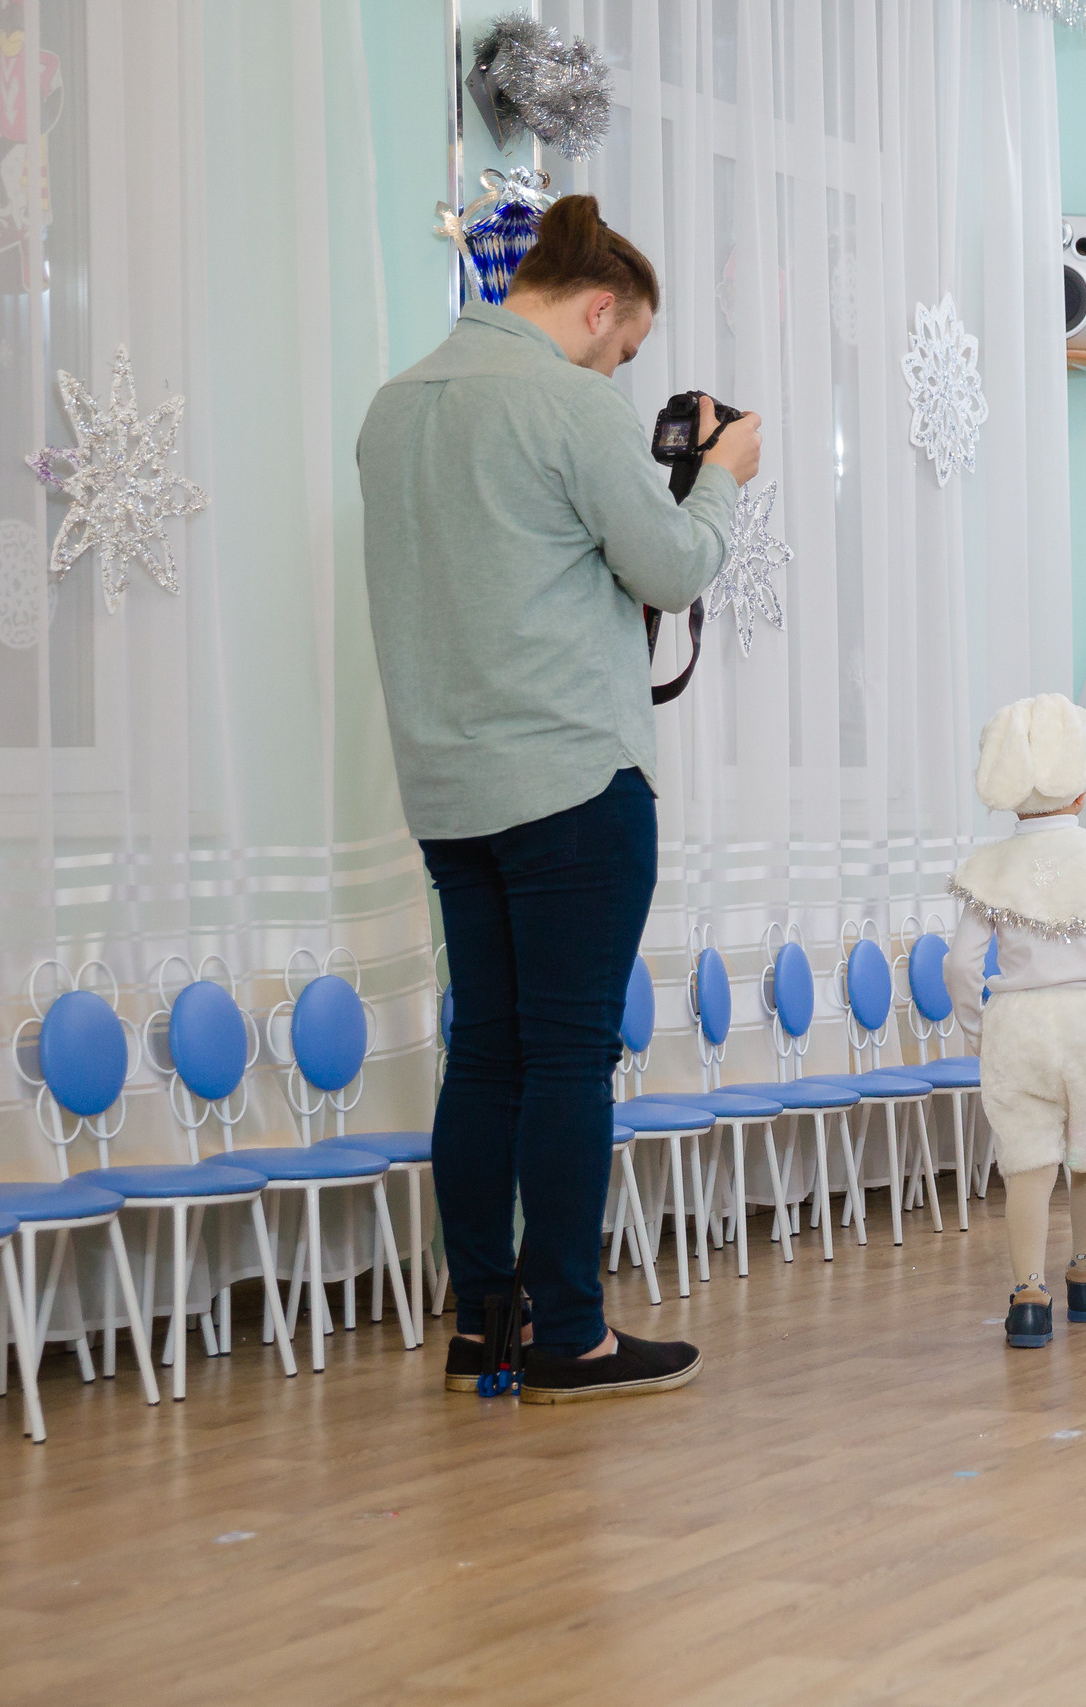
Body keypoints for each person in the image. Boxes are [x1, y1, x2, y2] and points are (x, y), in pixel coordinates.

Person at [358, 195, 760, 1403]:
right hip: (573, 779)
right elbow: (674, 564)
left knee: (483, 1053)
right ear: (598, 308)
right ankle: (572, 1330)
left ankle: (485, 1321)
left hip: (448, 784)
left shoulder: (392, 412)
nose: (619, 369)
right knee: (570, 1060)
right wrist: (723, 476)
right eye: (623, 348)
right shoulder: (568, 401)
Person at [947, 695, 1086, 1351]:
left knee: (1026, 1161)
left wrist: (977, 1027)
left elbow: (961, 965)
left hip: (1017, 1019)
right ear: (1081, 791)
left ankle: (1026, 1295)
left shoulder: (987, 866)